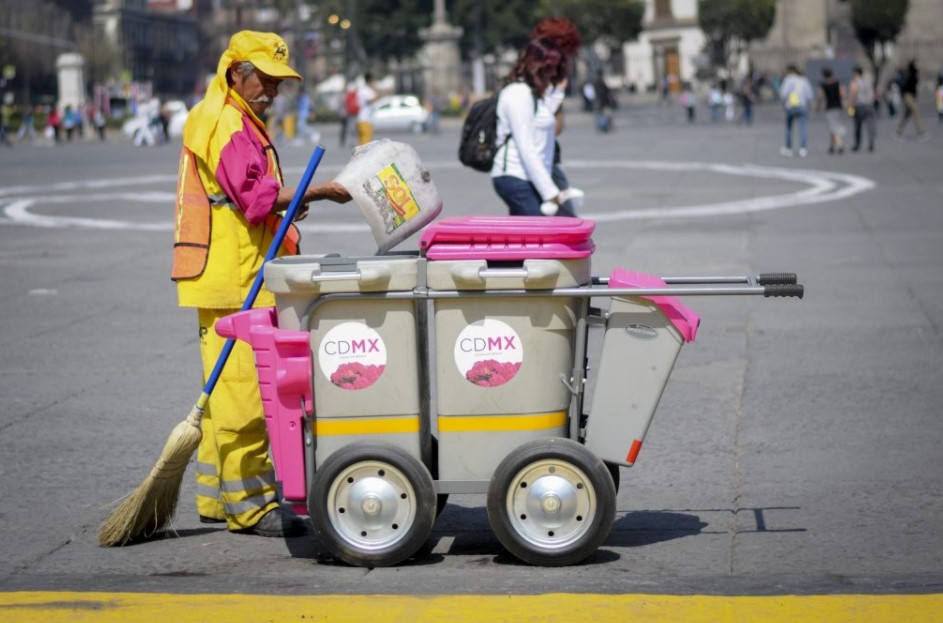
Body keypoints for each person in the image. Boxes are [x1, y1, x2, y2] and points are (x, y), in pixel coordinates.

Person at [173, 30, 351, 538]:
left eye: (278, 83)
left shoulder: (237, 117)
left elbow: (257, 195)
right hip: (231, 278)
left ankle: (217, 500)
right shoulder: (223, 121)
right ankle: (249, 508)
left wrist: (292, 198)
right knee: (243, 397)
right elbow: (254, 197)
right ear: (236, 74)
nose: (272, 92)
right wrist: (318, 190)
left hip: (241, 271)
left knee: (232, 389)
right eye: (264, 80)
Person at [491, 37, 574, 216]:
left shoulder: (533, 94)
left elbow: (547, 125)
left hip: (530, 177)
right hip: (515, 177)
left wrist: (558, 92)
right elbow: (525, 146)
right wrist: (550, 192)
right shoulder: (518, 94)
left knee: (527, 239)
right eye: (550, 68)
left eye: (557, 68)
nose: (553, 74)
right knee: (542, 234)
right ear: (536, 66)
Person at [530, 16, 582, 217]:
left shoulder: (533, 72)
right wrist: (558, 95)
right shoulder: (542, 79)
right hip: (540, 165)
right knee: (565, 223)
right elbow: (555, 127)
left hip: (542, 162)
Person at [779, 64, 815, 158]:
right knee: (802, 127)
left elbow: (783, 94)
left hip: (790, 106)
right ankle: (802, 148)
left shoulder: (788, 80)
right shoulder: (803, 80)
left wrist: (784, 103)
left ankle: (789, 148)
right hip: (802, 105)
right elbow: (809, 95)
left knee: (789, 128)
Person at [817, 67, 847, 154]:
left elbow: (820, 97)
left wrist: (818, 107)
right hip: (838, 107)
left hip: (830, 108)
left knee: (834, 127)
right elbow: (843, 94)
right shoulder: (838, 83)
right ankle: (832, 145)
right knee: (834, 125)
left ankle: (840, 144)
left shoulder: (824, 85)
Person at [847, 66, 876, 153]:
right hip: (869, 105)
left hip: (859, 106)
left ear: (856, 73)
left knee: (858, 126)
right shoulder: (867, 82)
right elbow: (873, 94)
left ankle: (857, 144)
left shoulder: (855, 82)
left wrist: (850, 105)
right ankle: (871, 142)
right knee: (870, 125)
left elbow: (853, 94)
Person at [896, 60, 925, 138]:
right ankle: (919, 130)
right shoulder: (910, 74)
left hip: (911, 96)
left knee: (907, 115)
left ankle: (898, 130)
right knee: (915, 111)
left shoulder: (914, 74)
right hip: (907, 95)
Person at [355, 73, 379, 146]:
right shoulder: (365, 90)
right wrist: (375, 89)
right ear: (370, 81)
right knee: (366, 145)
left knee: (364, 144)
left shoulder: (364, 90)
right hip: (364, 120)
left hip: (365, 120)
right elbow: (372, 99)